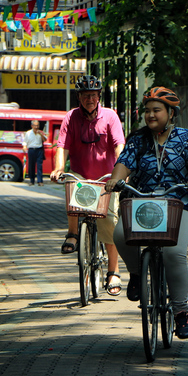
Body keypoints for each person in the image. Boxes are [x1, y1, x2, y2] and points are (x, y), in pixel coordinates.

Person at [104, 87, 188, 339]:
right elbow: (123, 163)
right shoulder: (137, 139)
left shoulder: (185, 137)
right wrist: (115, 180)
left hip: (177, 202)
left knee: (174, 253)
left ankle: (181, 312)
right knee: (119, 235)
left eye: (156, 110)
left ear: (170, 113)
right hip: (141, 202)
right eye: (147, 110)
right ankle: (137, 274)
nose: (150, 114)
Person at [50, 75, 126, 296]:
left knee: (110, 223)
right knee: (70, 183)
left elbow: (118, 146)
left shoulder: (110, 116)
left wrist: (120, 175)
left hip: (107, 179)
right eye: (85, 96)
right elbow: (62, 146)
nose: (89, 99)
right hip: (81, 175)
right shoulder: (71, 117)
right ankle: (72, 234)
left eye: (93, 95)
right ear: (79, 97)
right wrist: (58, 169)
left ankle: (113, 271)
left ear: (99, 96)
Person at [22, 120, 47, 186]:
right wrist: (24, 147)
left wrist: (41, 134)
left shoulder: (40, 132)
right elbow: (25, 142)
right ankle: (31, 180)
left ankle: (40, 181)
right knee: (31, 166)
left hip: (39, 150)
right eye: (35, 125)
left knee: (39, 166)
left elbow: (45, 139)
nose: (36, 127)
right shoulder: (28, 133)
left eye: (37, 125)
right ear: (32, 126)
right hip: (31, 150)